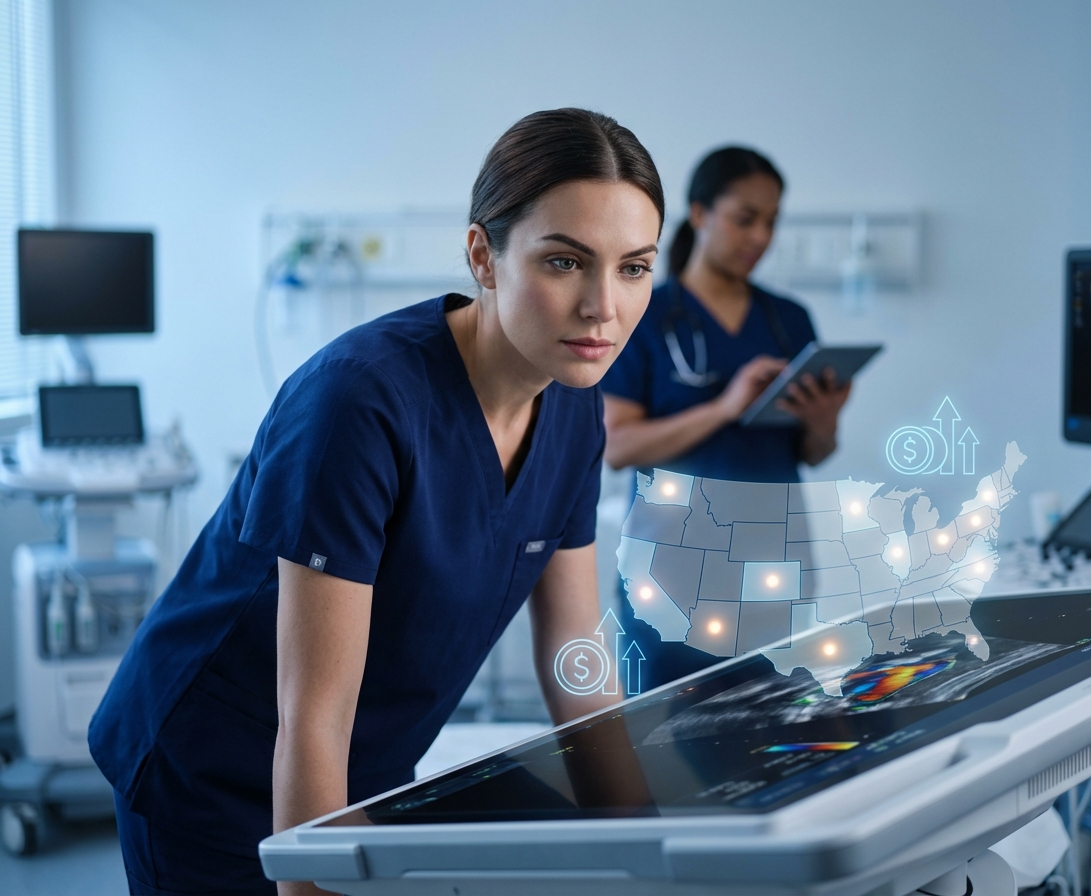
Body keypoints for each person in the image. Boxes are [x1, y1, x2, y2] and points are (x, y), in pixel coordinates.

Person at [88, 108, 665, 896]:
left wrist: (650, 844)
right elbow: (312, 715)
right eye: (565, 263)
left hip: (373, 773)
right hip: (215, 772)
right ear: (482, 256)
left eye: (634, 267)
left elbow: (574, 658)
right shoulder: (359, 404)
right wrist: (309, 883)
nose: (605, 306)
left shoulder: (574, 408)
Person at [600, 146, 850, 691]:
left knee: (770, 738)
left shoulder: (788, 321)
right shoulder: (644, 314)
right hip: (672, 574)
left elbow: (813, 451)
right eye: (745, 219)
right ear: (698, 213)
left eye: (771, 222)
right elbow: (617, 446)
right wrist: (724, 407)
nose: (759, 237)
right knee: (661, 749)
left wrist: (823, 421)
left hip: (774, 565)